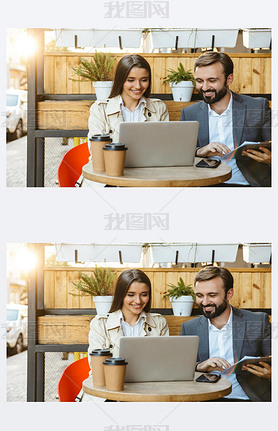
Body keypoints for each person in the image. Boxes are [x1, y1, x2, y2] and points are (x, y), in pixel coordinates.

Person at [180, 52, 271, 186]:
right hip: (205, 185)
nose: (204, 87)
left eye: (212, 80)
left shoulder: (257, 107)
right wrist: (200, 151)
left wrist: (271, 159)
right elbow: (179, 153)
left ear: (229, 79)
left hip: (248, 185)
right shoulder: (189, 113)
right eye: (199, 81)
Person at [180, 266, 271, 401]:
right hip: (205, 400)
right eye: (199, 296)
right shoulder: (189, 328)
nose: (204, 302)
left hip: (249, 399)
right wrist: (200, 366)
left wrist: (271, 374)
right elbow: (179, 369)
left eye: (212, 295)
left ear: (229, 294)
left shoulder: (257, 321)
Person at [88, 54, 169, 143]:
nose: (138, 86)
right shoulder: (100, 109)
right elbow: (96, 152)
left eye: (144, 80)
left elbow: (164, 147)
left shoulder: (159, 108)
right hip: (113, 157)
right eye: (130, 80)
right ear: (121, 80)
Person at [88, 268, 169, 357]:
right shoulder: (100, 323)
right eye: (131, 295)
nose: (138, 301)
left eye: (144, 294)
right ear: (121, 295)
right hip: (113, 371)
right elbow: (97, 366)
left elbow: (164, 361)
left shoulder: (159, 323)